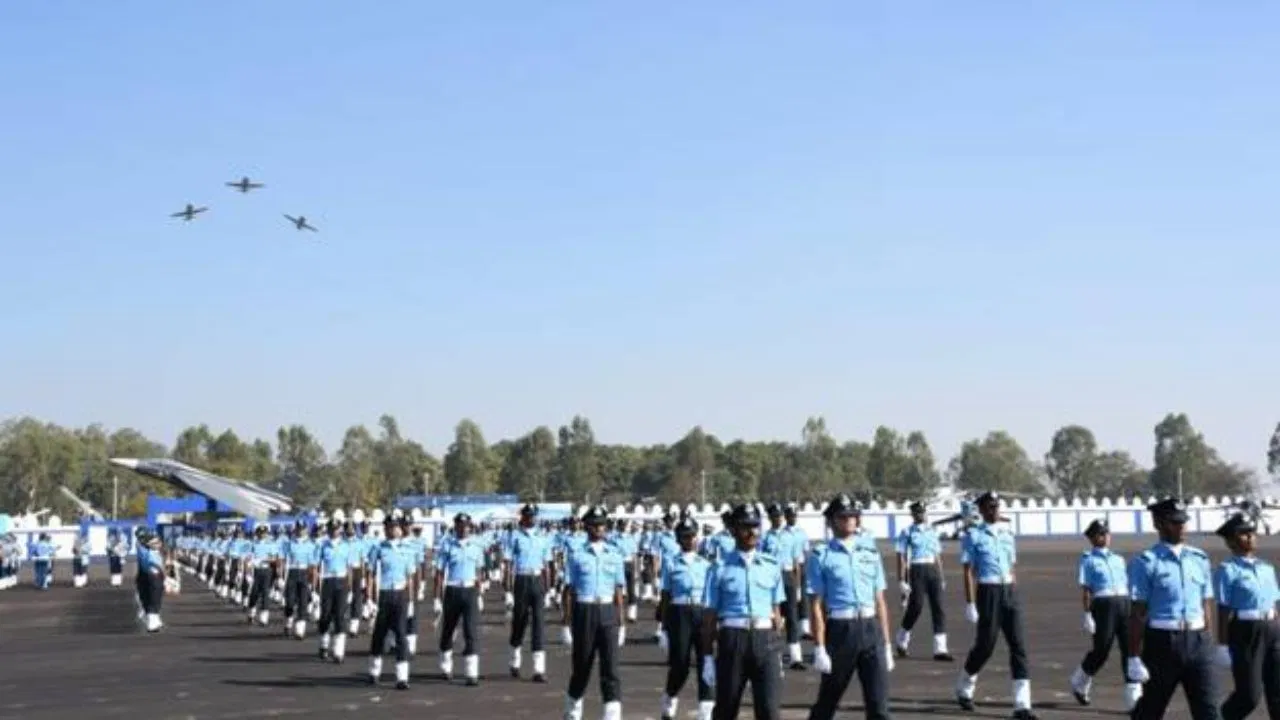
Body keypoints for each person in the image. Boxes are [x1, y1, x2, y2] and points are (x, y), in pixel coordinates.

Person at [1127, 498, 1221, 720]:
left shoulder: (1199, 559)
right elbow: (1138, 612)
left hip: (1198, 641)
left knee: (1209, 711)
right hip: (1163, 642)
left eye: (1183, 522)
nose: (1181, 527)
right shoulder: (1146, 562)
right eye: (1174, 522)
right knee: (1151, 709)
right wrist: (1132, 656)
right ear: (1158, 524)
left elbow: (1206, 602)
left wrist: (1208, 637)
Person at [806, 493, 894, 720]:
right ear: (832, 521)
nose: (849, 520)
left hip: (870, 628)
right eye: (843, 516)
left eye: (853, 516)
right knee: (828, 701)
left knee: (879, 705)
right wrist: (819, 646)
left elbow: (880, 600)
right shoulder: (821, 555)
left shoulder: (870, 553)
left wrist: (886, 643)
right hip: (840, 630)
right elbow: (816, 605)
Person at [954, 491, 1037, 719]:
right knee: (985, 645)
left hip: (1008, 590)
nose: (995, 510)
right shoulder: (973, 536)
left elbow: (1011, 567)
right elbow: (968, 571)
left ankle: (1022, 705)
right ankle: (965, 684)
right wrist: (970, 602)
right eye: (990, 507)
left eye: (997, 506)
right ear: (981, 510)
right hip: (988, 591)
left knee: (1018, 646)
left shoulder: (1007, 534)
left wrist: (1013, 592)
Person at [702, 503, 785, 720]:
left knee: (769, 710)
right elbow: (710, 618)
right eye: (745, 526)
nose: (752, 532)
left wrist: (777, 650)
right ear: (733, 530)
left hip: (765, 639)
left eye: (755, 526)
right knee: (726, 708)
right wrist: (708, 657)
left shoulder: (771, 565)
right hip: (733, 640)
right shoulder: (719, 568)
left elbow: (776, 612)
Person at [561, 504, 627, 720]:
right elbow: (569, 591)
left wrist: (622, 621)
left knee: (611, 668)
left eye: (602, 525)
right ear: (587, 527)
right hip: (584, 610)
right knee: (582, 666)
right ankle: (572, 710)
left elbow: (619, 591)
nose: (599, 529)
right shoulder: (577, 555)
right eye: (595, 525)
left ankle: (611, 715)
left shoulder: (614, 554)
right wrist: (566, 623)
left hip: (607, 611)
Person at [1214, 512, 1279, 720]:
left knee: (1278, 692)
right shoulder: (1227, 570)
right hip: (1246, 631)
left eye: (1252, 532)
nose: (1250, 537)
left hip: (1272, 629)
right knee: (1249, 696)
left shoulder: (1266, 568)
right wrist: (1222, 645)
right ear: (1231, 541)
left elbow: (1274, 603)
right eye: (1243, 534)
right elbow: (1223, 610)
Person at [1069, 518, 1138, 709]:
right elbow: (1086, 590)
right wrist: (1087, 614)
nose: (1106, 537)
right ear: (1092, 538)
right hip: (1103, 606)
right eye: (1100, 534)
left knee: (1130, 649)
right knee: (1102, 650)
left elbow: (1127, 584)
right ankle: (1080, 681)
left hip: (1124, 603)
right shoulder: (1088, 560)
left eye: (1106, 533)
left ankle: (1134, 698)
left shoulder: (1118, 559)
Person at [657, 515, 714, 720]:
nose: (689, 540)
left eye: (692, 536)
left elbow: (711, 596)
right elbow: (665, 595)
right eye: (685, 537)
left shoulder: (705, 564)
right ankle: (670, 696)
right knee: (680, 663)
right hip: (679, 613)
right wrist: (663, 627)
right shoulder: (671, 563)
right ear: (679, 539)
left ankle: (705, 709)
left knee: (705, 660)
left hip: (701, 611)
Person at [893, 501, 951, 661]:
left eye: (923, 512)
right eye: (918, 513)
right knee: (916, 606)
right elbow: (902, 557)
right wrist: (902, 580)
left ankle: (940, 648)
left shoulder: (932, 531)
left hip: (932, 569)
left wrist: (942, 576)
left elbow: (938, 555)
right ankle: (902, 638)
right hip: (917, 569)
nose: (921, 515)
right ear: (913, 515)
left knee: (938, 607)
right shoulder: (907, 532)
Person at [434, 512, 485, 686]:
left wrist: (480, 594)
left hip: (470, 589)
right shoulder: (447, 545)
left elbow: (479, 572)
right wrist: (437, 597)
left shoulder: (476, 546)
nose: (463, 528)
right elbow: (440, 573)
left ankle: (471, 673)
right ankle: (446, 666)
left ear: (470, 527)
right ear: (455, 527)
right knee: (448, 629)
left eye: (466, 525)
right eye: (460, 525)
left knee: (471, 631)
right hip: (453, 589)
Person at [366, 516, 414, 689]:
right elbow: (371, 574)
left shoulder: (407, 549)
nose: (394, 530)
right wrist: (369, 599)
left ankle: (402, 677)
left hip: (400, 594)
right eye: (390, 527)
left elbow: (410, 577)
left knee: (401, 635)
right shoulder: (378, 548)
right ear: (385, 529)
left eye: (396, 527)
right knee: (379, 634)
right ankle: (373, 672)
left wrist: (411, 601)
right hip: (384, 594)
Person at [507, 503, 552, 682]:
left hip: (538, 579)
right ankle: (514, 661)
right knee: (520, 620)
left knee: (539, 624)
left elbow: (547, 564)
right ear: (522, 517)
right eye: (527, 516)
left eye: (533, 516)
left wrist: (549, 589)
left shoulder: (543, 537)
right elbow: (509, 563)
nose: (531, 519)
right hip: (522, 579)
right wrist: (509, 589)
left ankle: (539, 669)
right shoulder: (515, 536)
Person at [763, 503, 806, 669]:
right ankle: (775, 655)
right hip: (772, 577)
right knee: (774, 616)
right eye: (774, 516)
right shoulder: (766, 538)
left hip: (788, 576)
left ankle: (796, 656)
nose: (777, 519)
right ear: (770, 518)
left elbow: (796, 562)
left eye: (779, 516)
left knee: (793, 616)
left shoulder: (791, 536)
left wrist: (798, 585)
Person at [316, 521, 352, 663]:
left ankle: (338, 650)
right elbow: (317, 567)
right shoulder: (323, 545)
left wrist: (349, 588)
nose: (334, 531)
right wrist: (315, 588)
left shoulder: (346, 546)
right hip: (327, 580)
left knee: (340, 616)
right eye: (332, 528)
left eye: (337, 529)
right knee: (325, 614)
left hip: (341, 581)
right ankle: (324, 645)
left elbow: (349, 568)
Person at [282, 523, 316, 639]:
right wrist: (281, 576)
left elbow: (312, 565)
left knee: (303, 602)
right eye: (299, 529)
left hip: (304, 572)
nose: (301, 532)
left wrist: (313, 582)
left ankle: (300, 630)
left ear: (306, 530)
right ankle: (288, 622)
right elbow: (283, 559)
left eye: (303, 529)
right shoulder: (289, 544)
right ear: (295, 530)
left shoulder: (311, 545)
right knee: (290, 601)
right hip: (292, 572)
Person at [135, 530, 166, 632]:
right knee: (153, 597)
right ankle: (152, 621)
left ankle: (154, 619)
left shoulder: (146, 548)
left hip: (151, 574)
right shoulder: (145, 549)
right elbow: (152, 563)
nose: (158, 544)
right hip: (151, 574)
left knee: (156, 597)